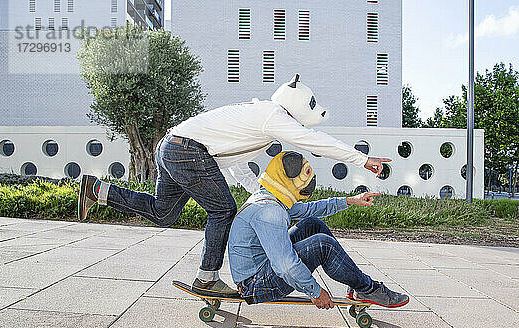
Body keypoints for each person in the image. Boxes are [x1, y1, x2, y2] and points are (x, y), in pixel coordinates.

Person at [77, 74, 391, 296]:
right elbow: (313, 141)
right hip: (186, 150)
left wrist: (261, 194)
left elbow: (234, 162)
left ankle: (98, 191)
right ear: (295, 111)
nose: (296, 129)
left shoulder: (256, 117)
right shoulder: (273, 116)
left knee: (163, 213)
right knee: (223, 210)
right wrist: (361, 159)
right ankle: (207, 278)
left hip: (171, 146)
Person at [228, 151, 410, 309]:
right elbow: (284, 266)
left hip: (260, 269)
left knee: (312, 224)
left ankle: (355, 283)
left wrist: (351, 200)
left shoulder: (270, 197)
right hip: (256, 285)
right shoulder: (270, 212)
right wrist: (314, 291)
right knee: (323, 245)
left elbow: (310, 209)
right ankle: (368, 289)